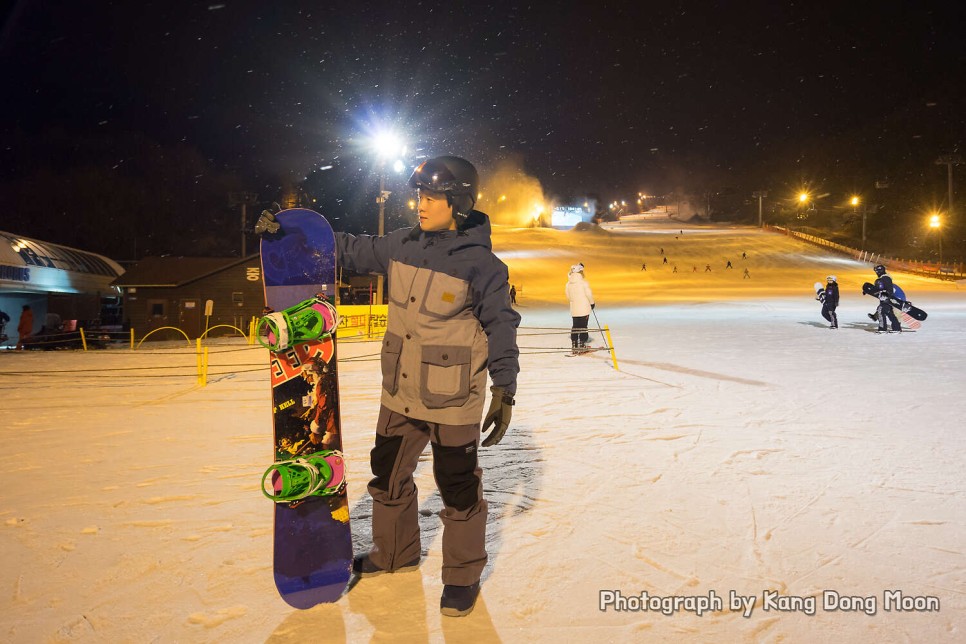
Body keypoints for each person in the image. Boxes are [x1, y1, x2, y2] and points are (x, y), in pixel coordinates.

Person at [334, 155, 520, 617]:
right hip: (399, 391)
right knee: (387, 474)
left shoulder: (482, 265)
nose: (421, 204)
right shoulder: (401, 245)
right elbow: (351, 248)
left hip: (453, 398)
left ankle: (461, 576)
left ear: (457, 203)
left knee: (457, 487)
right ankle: (392, 554)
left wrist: (504, 387)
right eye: (419, 195)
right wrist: (294, 232)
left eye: (432, 197)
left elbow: (502, 325)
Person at [566, 263, 595, 353]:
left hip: (574, 309)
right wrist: (592, 303)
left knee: (575, 326)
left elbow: (568, 296)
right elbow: (589, 294)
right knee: (583, 326)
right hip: (584, 308)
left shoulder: (568, 284)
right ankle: (582, 345)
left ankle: (574, 345)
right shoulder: (583, 283)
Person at [869, 264, 901, 333]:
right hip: (885, 299)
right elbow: (879, 288)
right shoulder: (884, 278)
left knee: (880, 311)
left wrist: (886, 293)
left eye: (877, 271)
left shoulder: (885, 278)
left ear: (880, 271)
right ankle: (896, 328)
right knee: (889, 313)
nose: (876, 273)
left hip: (886, 299)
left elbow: (889, 289)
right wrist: (868, 291)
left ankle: (882, 329)